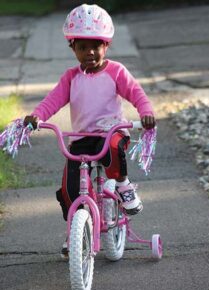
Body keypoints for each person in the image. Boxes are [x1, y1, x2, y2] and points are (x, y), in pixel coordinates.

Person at [24, 4, 156, 257]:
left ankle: (123, 185)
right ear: (72, 47)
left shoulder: (116, 71)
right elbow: (52, 100)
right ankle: (75, 231)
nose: (90, 52)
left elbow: (136, 94)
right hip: (82, 138)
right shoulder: (71, 77)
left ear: (106, 45)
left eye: (96, 46)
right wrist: (37, 117)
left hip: (111, 132)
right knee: (69, 189)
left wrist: (145, 113)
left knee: (114, 150)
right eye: (82, 47)